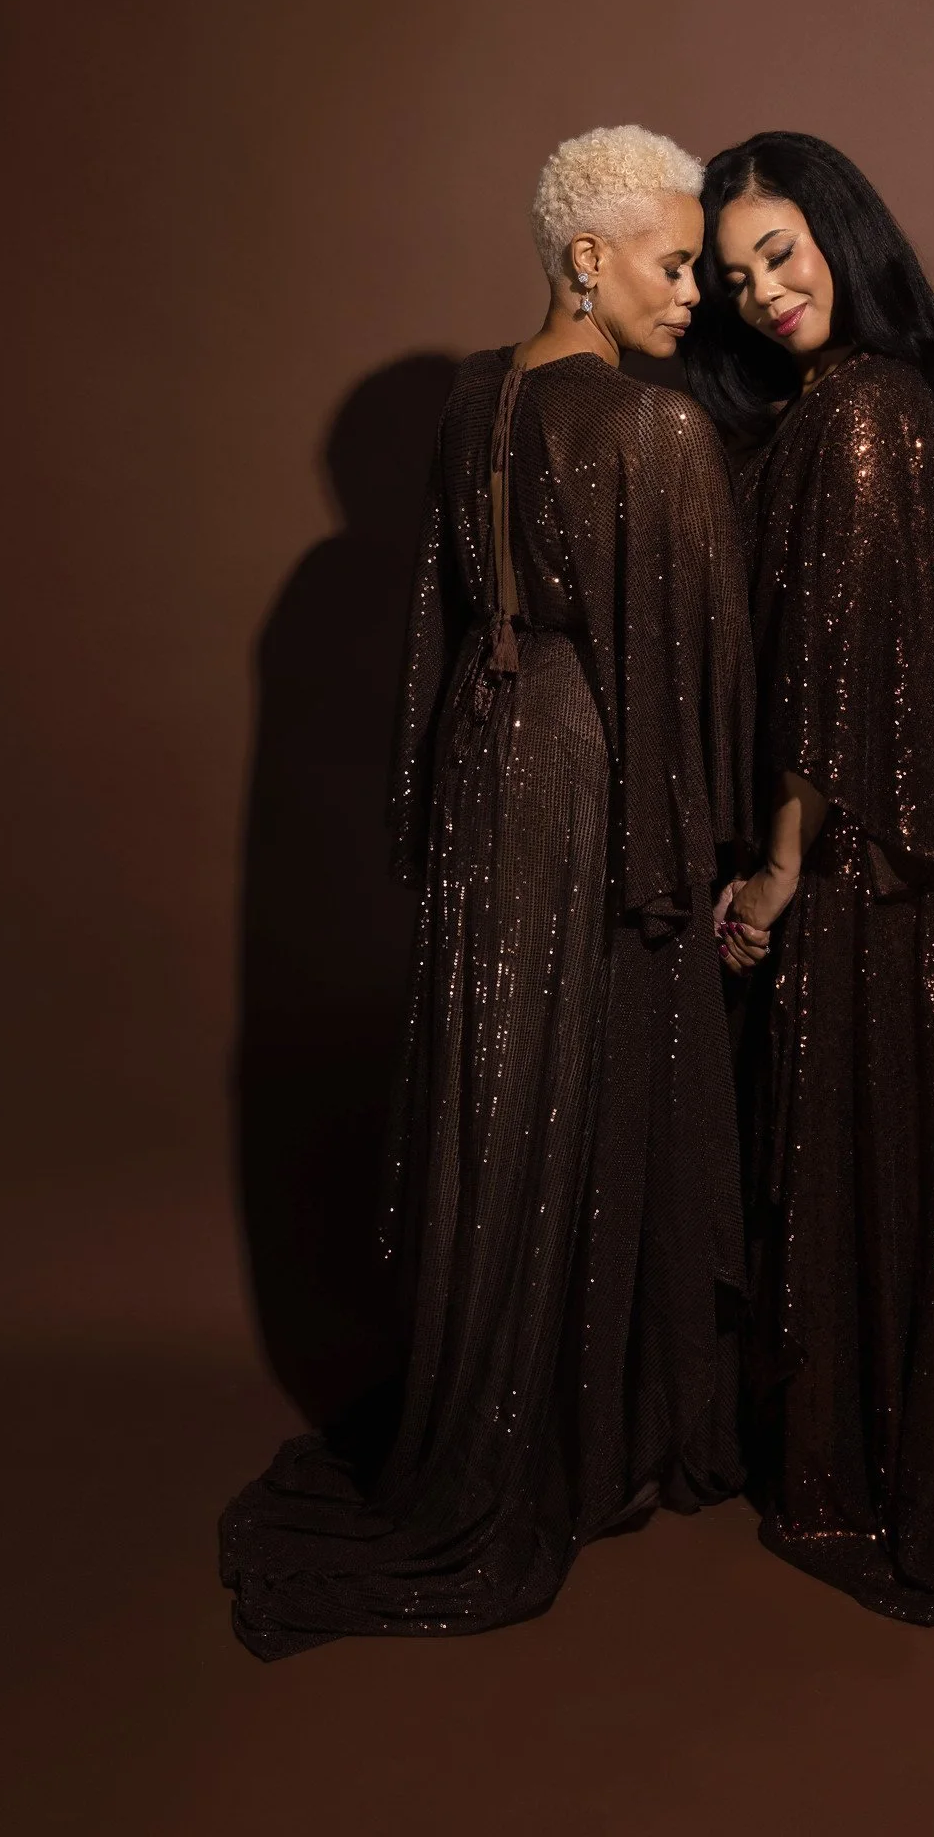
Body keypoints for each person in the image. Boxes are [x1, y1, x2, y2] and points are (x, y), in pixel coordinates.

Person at [221, 126, 755, 1658]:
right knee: (593, 1076)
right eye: (671, 265)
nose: (690, 299)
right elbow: (699, 679)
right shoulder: (655, 440)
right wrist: (708, 841)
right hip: (588, 781)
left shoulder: (473, 405)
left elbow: (435, 649)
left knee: (496, 1085)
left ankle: (494, 1406)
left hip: (482, 771)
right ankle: (574, 1436)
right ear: (586, 259)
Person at [686, 131, 934, 1631]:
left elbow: (837, 661)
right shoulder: (824, 406)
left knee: (910, 1107)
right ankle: (876, 1448)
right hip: (896, 769)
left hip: (893, 796)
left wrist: (778, 870)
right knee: (881, 1105)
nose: (767, 292)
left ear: (845, 237)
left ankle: (925, 1471)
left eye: (782, 253)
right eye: (736, 278)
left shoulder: (865, 414)